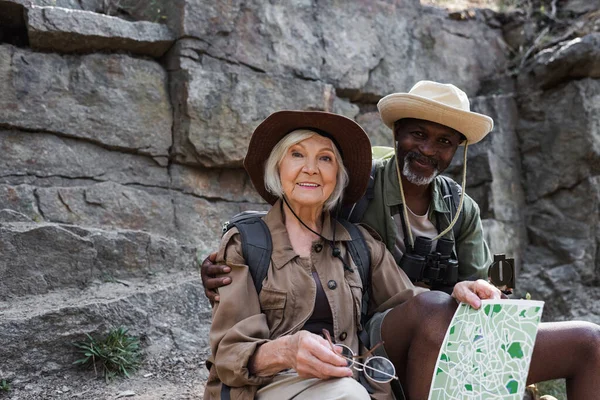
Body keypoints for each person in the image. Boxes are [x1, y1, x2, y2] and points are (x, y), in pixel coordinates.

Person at [203, 83, 600, 399]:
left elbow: (477, 293)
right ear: (396, 133)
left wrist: (477, 292)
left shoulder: (462, 210)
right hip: (380, 338)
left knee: (589, 340)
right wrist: (234, 248)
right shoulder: (357, 191)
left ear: (457, 149)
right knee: (430, 308)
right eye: (419, 134)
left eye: (445, 141)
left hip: (442, 327)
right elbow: (294, 208)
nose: (428, 149)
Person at [203, 110, 503, 400]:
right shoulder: (247, 242)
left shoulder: (361, 243)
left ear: (338, 176)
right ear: (277, 167)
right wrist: (286, 351)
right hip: (270, 386)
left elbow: (415, 307)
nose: (311, 168)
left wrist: (456, 295)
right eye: (296, 155)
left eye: (325, 158)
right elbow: (229, 354)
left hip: (351, 382)